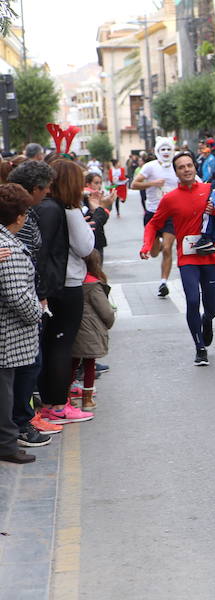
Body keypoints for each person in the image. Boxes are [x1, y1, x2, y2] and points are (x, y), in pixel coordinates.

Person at [140, 152, 215, 366]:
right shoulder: (170, 199)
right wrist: (147, 244)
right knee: (193, 301)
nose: (186, 169)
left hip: (211, 255)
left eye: (189, 165)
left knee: (211, 307)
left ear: (195, 167)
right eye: (181, 167)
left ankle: (207, 320)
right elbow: (154, 223)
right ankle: (199, 348)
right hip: (188, 258)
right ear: (176, 172)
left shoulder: (211, 190)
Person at [36, 160, 95, 424]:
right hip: (67, 283)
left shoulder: (45, 207)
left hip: (52, 285)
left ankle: (51, 401)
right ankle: (58, 405)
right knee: (61, 345)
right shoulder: (68, 211)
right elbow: (85, 247)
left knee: (51, 344)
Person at [5, 162, 62, 436]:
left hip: (32, 296)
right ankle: (22, 422)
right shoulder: (17, 227)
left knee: (30, 364)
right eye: (45, 187)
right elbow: (20, 274)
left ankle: (23, 419)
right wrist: (36, 307)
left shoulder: (29, 216)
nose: (49, 191)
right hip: (26, 304)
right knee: (27, 366)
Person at [0, 183, 44, 463]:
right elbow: (17, 295)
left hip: (9, 333)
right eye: (26, 212)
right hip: (10, 335)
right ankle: (6, 445)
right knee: (5, 392)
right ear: (18, 216)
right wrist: (37, 312)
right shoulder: (8, 247)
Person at [130, 138, 179, 298]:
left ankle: (163, 282)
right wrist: (153, 183)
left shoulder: (178, 164)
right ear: (157, 151)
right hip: (153, 213)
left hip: (171, 214)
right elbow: (134, 185)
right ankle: (155, 243)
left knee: (167, 248)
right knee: (155, 252)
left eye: (168, 149)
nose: (165, 152)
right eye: (162, 149)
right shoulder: (150, 166)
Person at [70, 250, 115, 411]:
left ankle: (67, 397)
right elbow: (106, 311)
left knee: (73, 362)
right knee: (89, 363)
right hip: (90, 329)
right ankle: (87, 400)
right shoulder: (93, 285)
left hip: (73, 327)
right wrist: (108, 323)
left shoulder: (72, 281)